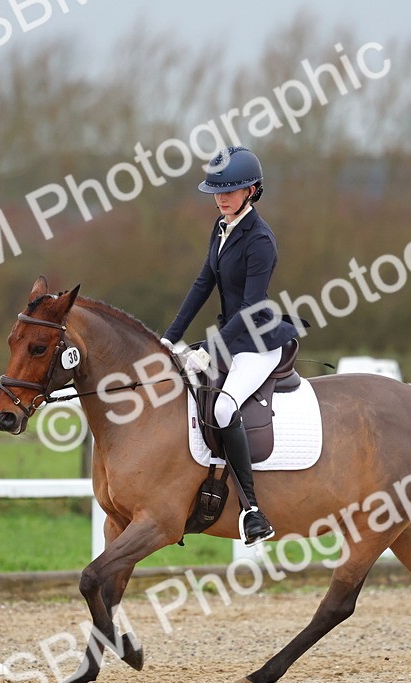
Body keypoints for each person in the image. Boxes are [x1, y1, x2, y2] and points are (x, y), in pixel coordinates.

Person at [161, 146, 298, 546]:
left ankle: (253, 511)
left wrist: (214, 346)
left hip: (257, 342)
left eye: (231, 190)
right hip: (232, 337)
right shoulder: (220, 228)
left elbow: (253, 306)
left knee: (223, 407)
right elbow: (203, 284)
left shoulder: (261, 240)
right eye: (217, 190)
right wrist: (169, 337)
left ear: (252, 191)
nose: (222, 198)